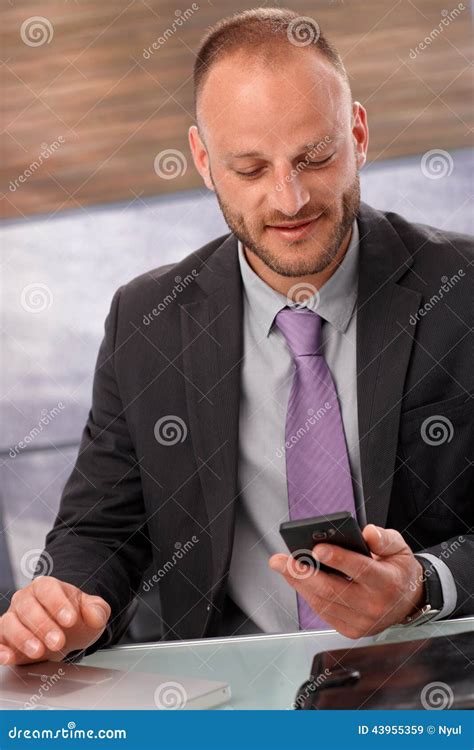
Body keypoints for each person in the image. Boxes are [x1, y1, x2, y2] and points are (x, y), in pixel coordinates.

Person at [0, 8, 472, 666]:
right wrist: (67, 603)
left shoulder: (463, 289)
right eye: (250, 169)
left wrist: (424, 584)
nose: (289, 198)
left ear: (358, 134)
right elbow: (103, 527)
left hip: (433, 676)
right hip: (225, 690)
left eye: (316, 156)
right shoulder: (147, 321)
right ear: (202, 160)